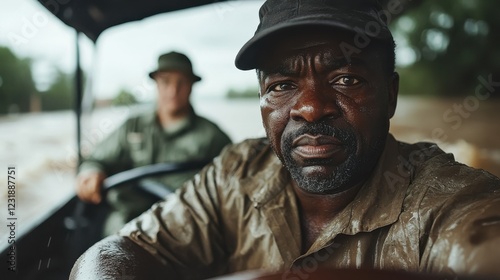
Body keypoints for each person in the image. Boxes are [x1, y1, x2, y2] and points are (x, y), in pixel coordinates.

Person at [70, 1, 500, 279]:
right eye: (282, 85)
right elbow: (115, 252)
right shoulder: (234, 172)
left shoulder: (447, 199)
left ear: (390, 94)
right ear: (261, 100)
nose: (311, 108)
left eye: (346, 78)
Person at [75, 51, 232, 235]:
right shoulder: (132, 125)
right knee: (108, 250)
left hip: (185, 224)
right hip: (129, 219)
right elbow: (96, 159)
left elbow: (235, 180)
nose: (173, 90)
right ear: (156, 83)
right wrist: (91, 172)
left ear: (191, 86)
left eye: (181, 82)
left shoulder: (213, 136)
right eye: (166, 81)